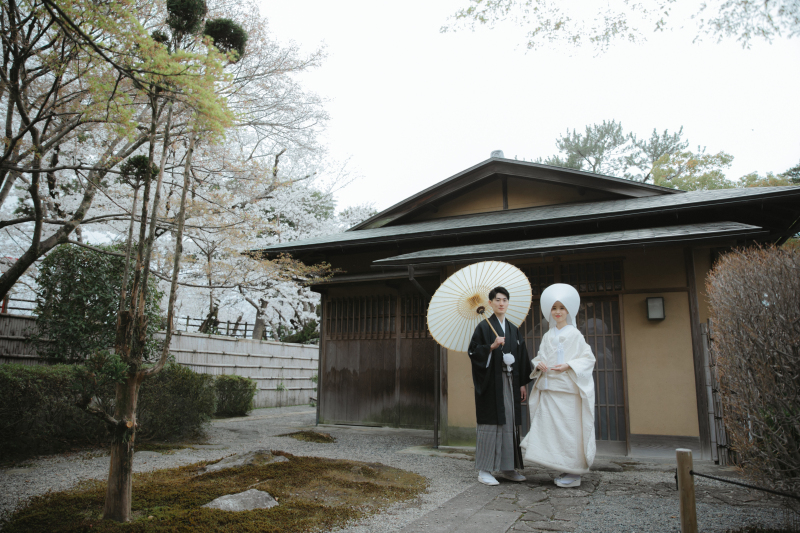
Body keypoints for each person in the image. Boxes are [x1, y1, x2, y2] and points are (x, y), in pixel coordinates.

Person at [520, 283, 596, 488]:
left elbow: (588, 359)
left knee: (570, 431)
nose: (558, 312)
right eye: (554, 308)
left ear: (568, 310)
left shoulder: (575, 334)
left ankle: (575, 473)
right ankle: (564, 468)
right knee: (553, 433)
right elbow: (539, 358)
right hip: (550, 390)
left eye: (562, 308)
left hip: (568, 392)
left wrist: (569, 365)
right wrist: (539, 364)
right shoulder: (547, 335)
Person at [467, 286, 533, 486]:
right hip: (491, 382)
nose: (501, 303)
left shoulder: (513, 329)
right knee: (491, 423)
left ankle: (507, 467)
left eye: (504, 300)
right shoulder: (484, 327)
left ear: (508, 303)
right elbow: (473, 352)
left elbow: (522, 357)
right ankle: (484, 469)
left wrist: (522, 384)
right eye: (497, 300)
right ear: (490, 303)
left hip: (511, 381)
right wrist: (491, 347)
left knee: (510, 422)